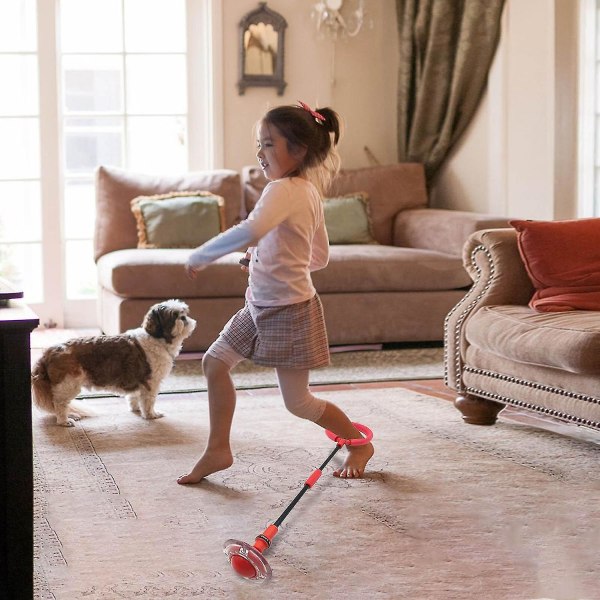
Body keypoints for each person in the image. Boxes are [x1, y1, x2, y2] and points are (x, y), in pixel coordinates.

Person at [177, 101, 374, 485]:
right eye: (259, 145)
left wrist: (203, 254)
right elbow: (318, 256)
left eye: (268, 144)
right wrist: (261, 258)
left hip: (289, 311)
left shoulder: (282, 190)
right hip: (258, 306)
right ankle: (218, 449)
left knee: (298, 403)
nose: (260, 154)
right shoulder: (308, 192)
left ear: (298, 150)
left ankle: (356, 442)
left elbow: (252, 229)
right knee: (214, 364)